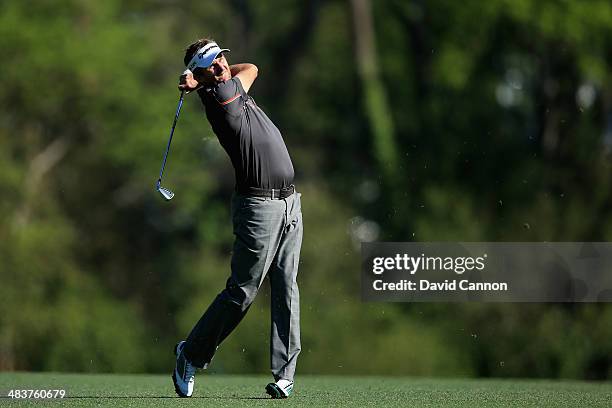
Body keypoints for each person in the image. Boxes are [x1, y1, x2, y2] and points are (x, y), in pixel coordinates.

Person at [171, 38, 303, 399]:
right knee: (242, 292)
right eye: (212, 66)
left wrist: (201, 75)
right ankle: (191, 353)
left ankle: (284, 373)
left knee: (286, 286)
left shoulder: (228, 83)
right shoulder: (220, 98)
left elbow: (252, 68)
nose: (222, 67)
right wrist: (202, 82)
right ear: (203, 75)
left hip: (290, 202)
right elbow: (237, 75)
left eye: (221, 60)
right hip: (259, 208)